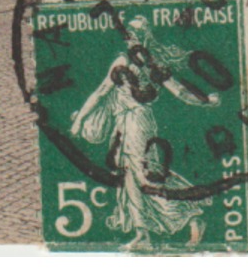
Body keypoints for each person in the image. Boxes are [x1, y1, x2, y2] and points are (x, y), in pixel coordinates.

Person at [70, 15, 215, 249]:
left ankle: (191, 214)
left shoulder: (151, 63)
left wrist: (205, 100)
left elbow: (178, 91)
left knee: (144, 174)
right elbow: (101, 91)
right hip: (123, 124)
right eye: (131, 32)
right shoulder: (125, 60)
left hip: (137, 123)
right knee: (130, 175)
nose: (133, 37)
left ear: (147, 35)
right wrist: (80, 121)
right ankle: (142, 234)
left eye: (138, 32)